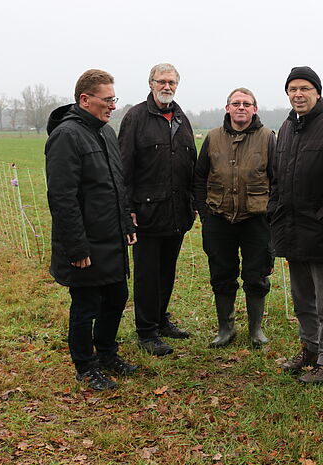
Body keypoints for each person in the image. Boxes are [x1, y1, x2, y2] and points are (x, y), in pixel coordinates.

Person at [45, 69, 138, 391]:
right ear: (85, 99)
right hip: (86, 241)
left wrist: (126, 222)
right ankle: (85, 365)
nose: (113, 106)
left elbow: (116, 184)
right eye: (108, 99)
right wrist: (77, 247)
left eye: (115, 99)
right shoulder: (66, 136)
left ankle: (108, 353)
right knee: (86, 305)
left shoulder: (105, 133)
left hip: (111, 237)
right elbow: (62, 197)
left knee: (117, 297)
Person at [269, 66, 323, 384]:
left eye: (305, 88)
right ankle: (310, 348)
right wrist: (274, 209)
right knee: (302, 298)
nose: (298, 94)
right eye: (292, 89)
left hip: (321, 232)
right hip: (291, 229)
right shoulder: (288, 126)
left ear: (317, 92)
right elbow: (278, 175)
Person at [118, 63, 197, 356]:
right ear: (150, 83)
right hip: (146, 214)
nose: (167, 86)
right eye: (161, 81)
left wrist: (193, 204)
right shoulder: (136, 118)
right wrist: (127, 210)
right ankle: (146, 330)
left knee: (167, 270)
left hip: (176, 213)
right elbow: (123, 167)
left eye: (172, 82)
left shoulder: (180, 118)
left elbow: (191, 164)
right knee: (147, 273)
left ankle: (161, 320)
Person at [193, 88, 276, 348]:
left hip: (257, 219)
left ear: (255, 109)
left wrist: (272, 213)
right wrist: (206, 214)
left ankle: (255, 330)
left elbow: (277, 179)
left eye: (246, 104)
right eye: (236, 103)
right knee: (221, 274)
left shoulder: (267, 138)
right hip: (219, 218)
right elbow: (199, 177)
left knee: (256, 275)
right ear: (227, 108)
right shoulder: (213, 137)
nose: (241, 107)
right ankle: (225, 329)